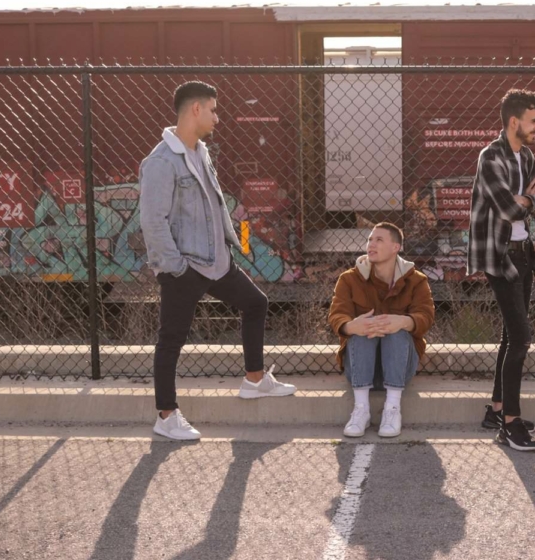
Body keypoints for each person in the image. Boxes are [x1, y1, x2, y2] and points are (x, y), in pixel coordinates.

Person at [139, 81, 296, 441]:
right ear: (195, 109)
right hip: (185, 267)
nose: (217, 117)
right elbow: (152, 220)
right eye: (212, 109)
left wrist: (229, 245)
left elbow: (212, 203)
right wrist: (176, 267)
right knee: (172, 339)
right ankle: (166, 415)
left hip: (216, 261)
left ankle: (254, 380)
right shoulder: (161, 161)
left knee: (256, 303)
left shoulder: (201, 151)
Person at [467, 89, 535, 452]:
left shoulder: (526, 155)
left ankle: (497, 410)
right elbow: (507, 209)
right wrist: (527, 199)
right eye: (533, 121)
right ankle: (510, 426)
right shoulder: (491, 157)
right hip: (499, 255)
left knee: (510, 336)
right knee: (521, 337)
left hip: (524, 253)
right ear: (514, 121)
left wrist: (528, 200)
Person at [328, 223, 435, 438]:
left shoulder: (416, 280)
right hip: (359, 369)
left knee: (396, 330)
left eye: (379, 240)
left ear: (396, 247)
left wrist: (403, 322)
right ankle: (361, 410)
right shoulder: (349, 279)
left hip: (399, 370)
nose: (371, 244)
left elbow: (426, 315)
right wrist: (351, 326)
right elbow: (337, 314)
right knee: (363, 329)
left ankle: (392, 409)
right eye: (369, 240)